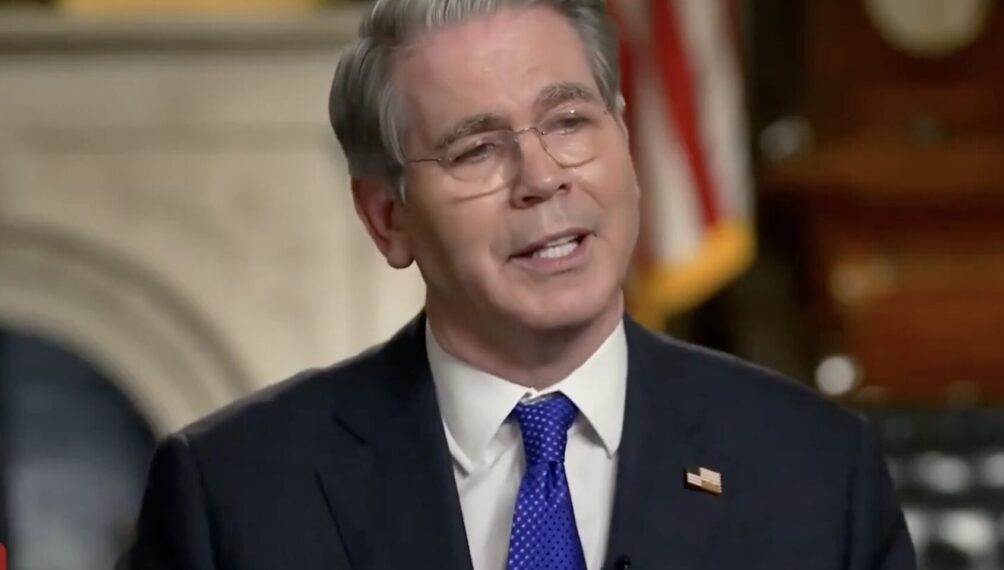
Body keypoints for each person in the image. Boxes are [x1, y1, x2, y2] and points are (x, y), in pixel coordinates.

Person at [118, 1, 915, 568]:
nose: (541, 178)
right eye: (475, 150)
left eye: (569, 123)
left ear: (625, 142)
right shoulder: (234, 495)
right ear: (388, 218)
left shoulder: (816, 471)